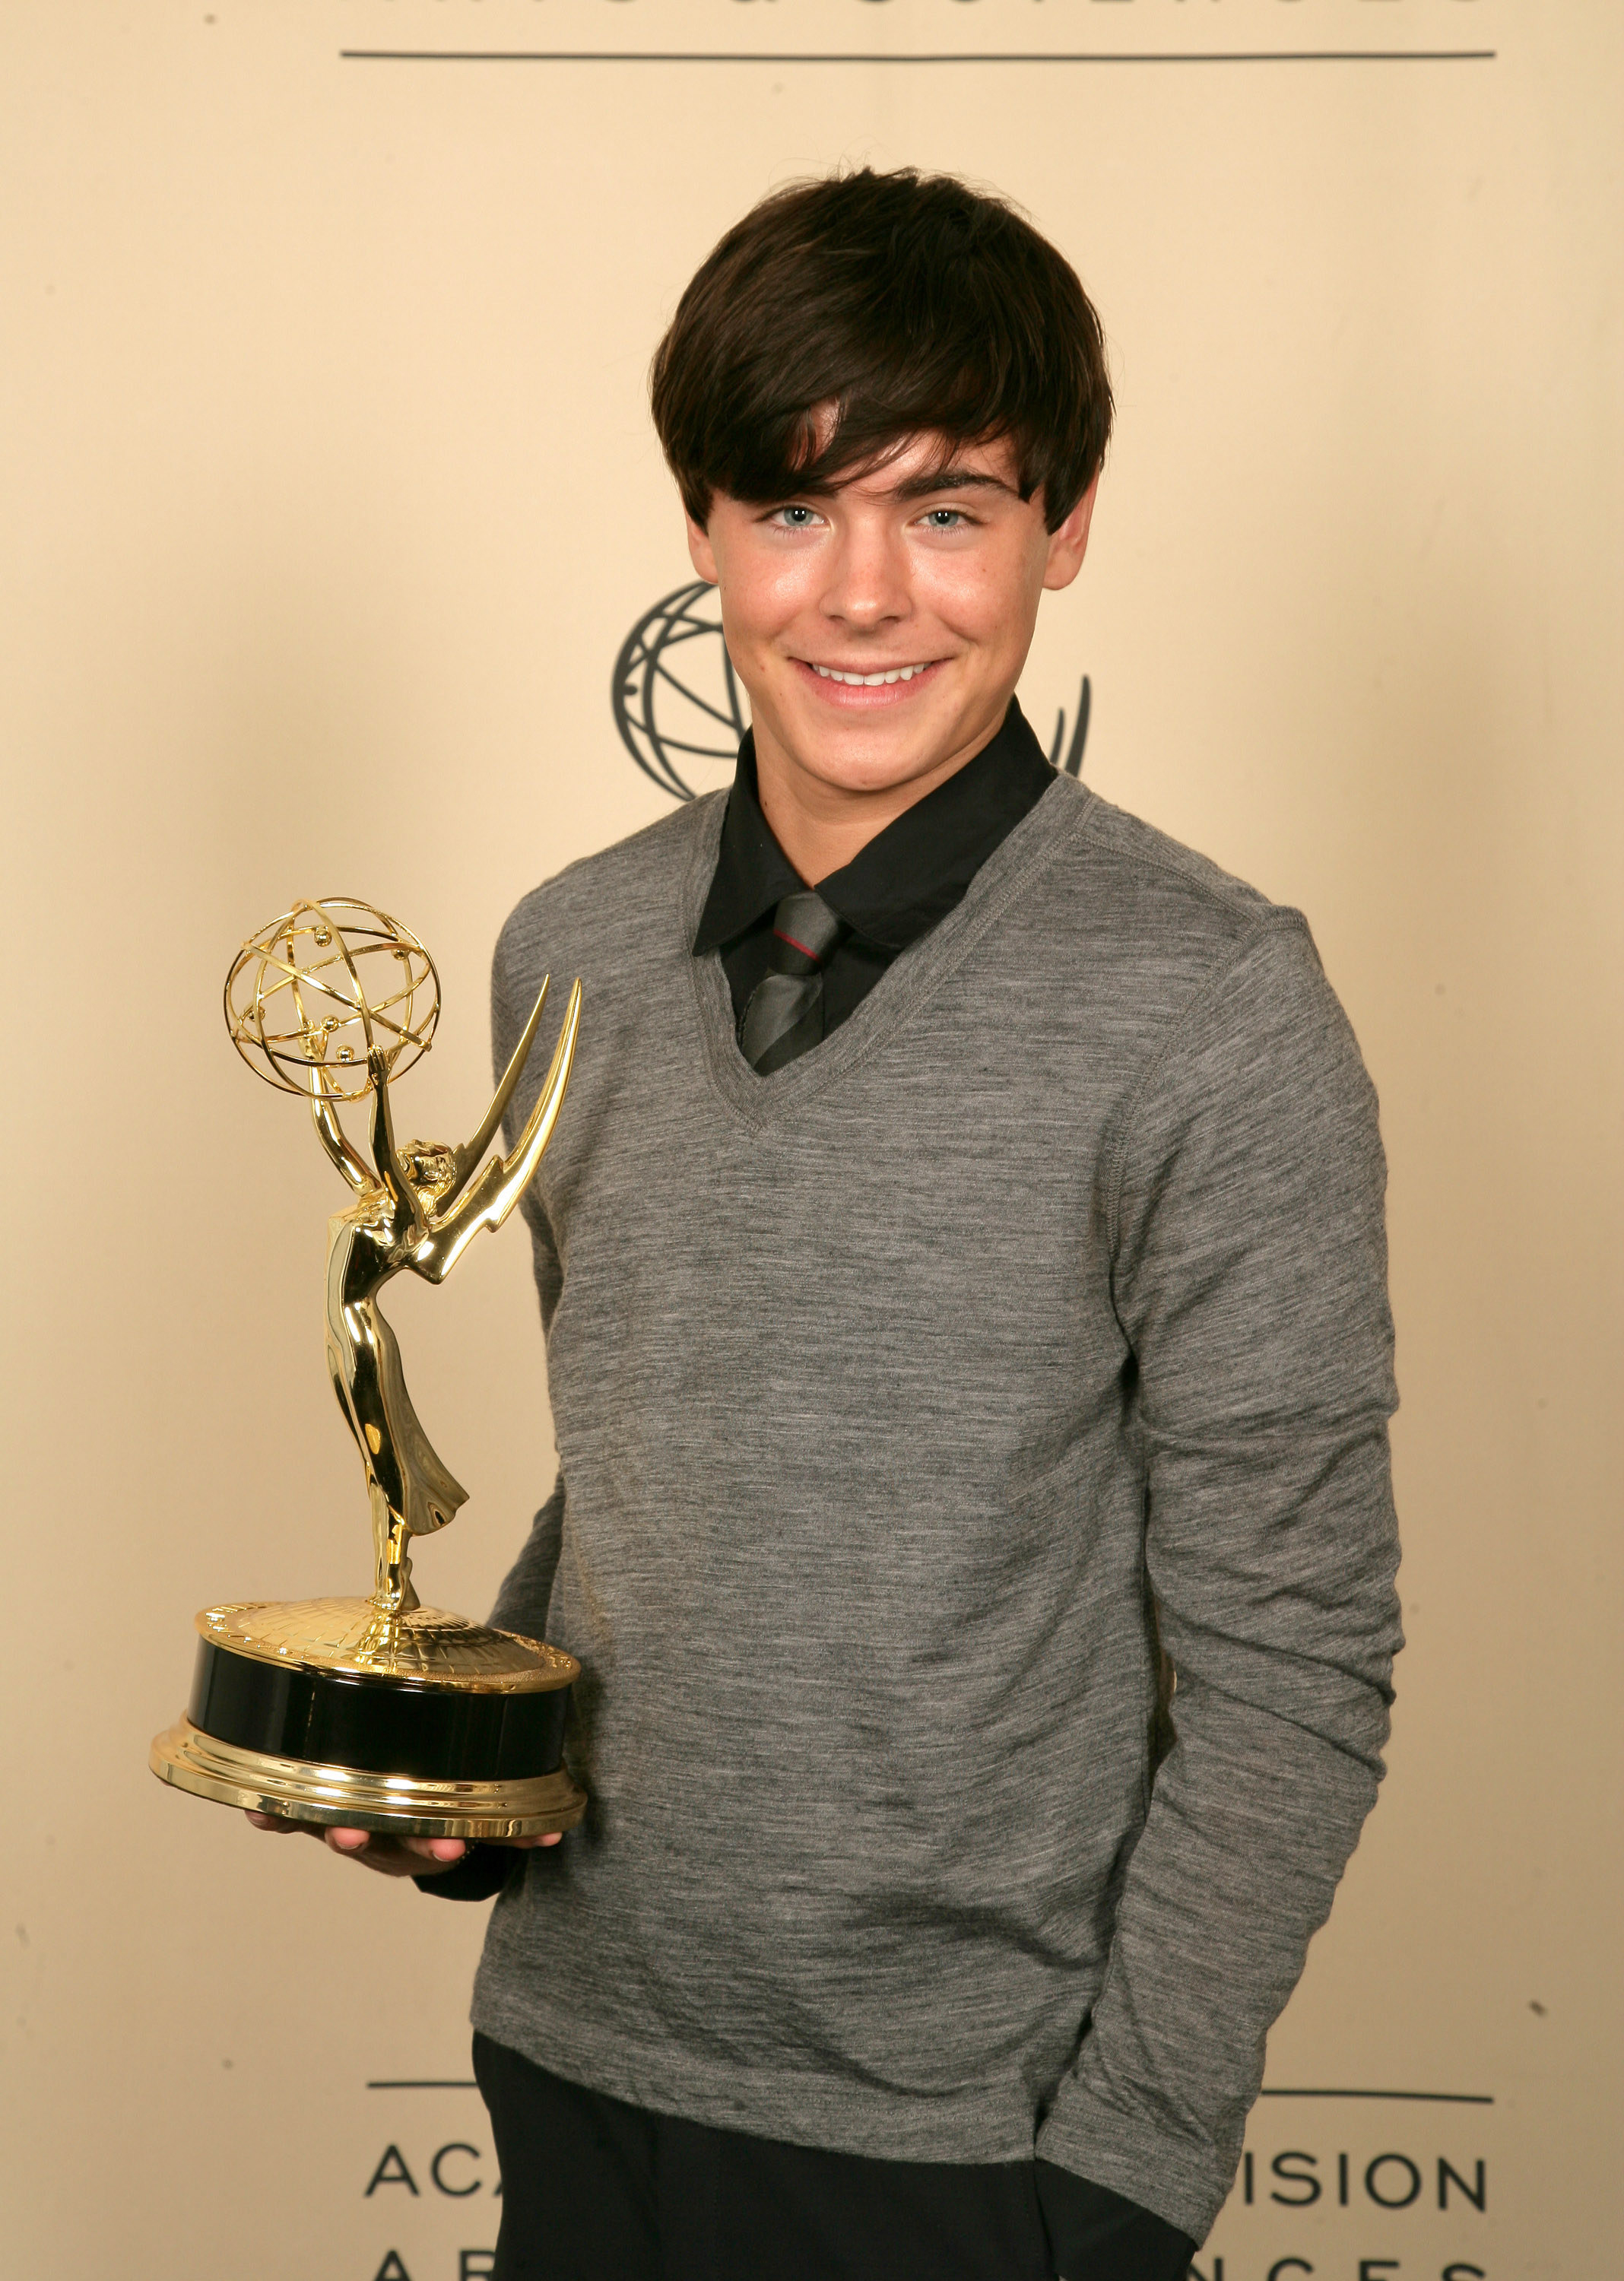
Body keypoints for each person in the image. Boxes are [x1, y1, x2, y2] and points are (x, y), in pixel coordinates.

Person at [252, 168, 1403, 2281]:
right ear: (701, 531)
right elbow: (649, 1470)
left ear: (1064, 530)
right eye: (794, 511)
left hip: (968, 2154)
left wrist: (1123, 2175)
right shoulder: (567, 952)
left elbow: (1295, 1666)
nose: (863, 593)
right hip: (577, 2070)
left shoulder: (1215, 1006)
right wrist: (467, 1771)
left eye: (948, 510)